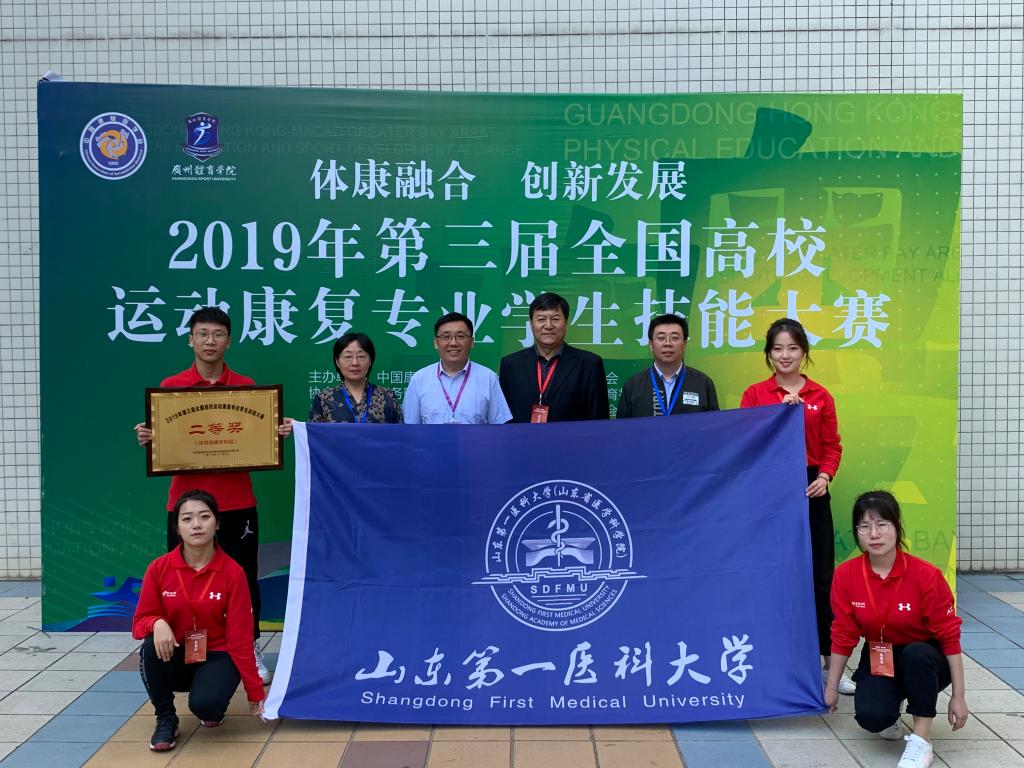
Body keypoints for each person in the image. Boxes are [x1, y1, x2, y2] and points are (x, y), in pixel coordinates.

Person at [133, 307, 289, 684]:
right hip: (186, 505)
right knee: (186, 581)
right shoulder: (171, 388)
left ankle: (248, 648)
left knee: (243, 579)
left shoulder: (248, 388)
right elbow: (167, 444)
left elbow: (255, 438)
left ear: (228, 341)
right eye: (202, 334)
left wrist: (273, 435)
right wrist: (152, 439)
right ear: (191, 340)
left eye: (218, 335)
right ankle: (189, 654)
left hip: (237, 502)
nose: (210, 341)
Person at [740, 317, 853, 694]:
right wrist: (780, 414)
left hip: (811, 489)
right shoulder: (755, 394)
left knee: (820, 578)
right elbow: (745, 441)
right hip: (770, 494)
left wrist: (825, 476)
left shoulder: (821, 395)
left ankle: (829, 664)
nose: (785, 355)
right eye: (777, 349)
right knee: (773, 576)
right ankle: (773, 658)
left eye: (792, 348)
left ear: (804, 352)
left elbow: (832, 445)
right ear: (768, 354)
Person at [827, 491, 967, 768]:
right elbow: (843, 635)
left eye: (882, 524)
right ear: (857, 531)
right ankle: (892, 710)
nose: (874, 534)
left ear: (897, 526)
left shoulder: (925, 575)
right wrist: (831, 687)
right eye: (864, 526)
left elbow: (950, 637)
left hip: (926, 657)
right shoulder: (846, 575)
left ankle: (922, 740)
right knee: (872, 716)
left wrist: (959, 697)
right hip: (881, 652)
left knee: (916, 655)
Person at [132, 490, 265, 752]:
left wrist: (255, 690)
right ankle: (166, 718)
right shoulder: (159, 568)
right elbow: (139, 623)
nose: (196, 524)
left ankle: (210, 702)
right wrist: (157, 623)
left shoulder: (233, 572)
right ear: (177, 528)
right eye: (187, 518)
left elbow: (240, 637)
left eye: (204, 517)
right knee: (150, 646)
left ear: (217, 524)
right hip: (176, 653)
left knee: (207, 706)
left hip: (217, 653)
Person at [499, 292, 609, 423]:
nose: (548, 325)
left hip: (572, 436)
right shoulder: (510, 364)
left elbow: (599, 420)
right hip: (522, 436)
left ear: (566, 322)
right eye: (541, 319)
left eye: (555, 319)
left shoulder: (589, 364)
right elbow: (503, 417)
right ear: (531, 324)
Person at [404, 312, 512, 424]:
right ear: (436, 343)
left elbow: (499, 427)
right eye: (446, 337)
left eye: (460, 336)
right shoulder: (419, 379)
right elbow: (410, 427)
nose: (453, 343)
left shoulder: (488, 378)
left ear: (472, 342)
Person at [616, 313, 719, 418]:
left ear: (684, 345)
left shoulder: (703, 383)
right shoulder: (633, 385)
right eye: (661, 338)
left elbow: (714, 424)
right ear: (651, 345)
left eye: (675, 338)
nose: (668, 343)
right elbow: (622, 426)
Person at [309, 332, 402, 423]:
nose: (355, 363)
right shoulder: (323, 398)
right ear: (337, 361)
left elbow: (400, 431)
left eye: (361, 356)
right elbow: (313, 432)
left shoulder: (387, 397)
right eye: (348, 356)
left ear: (370, 361)